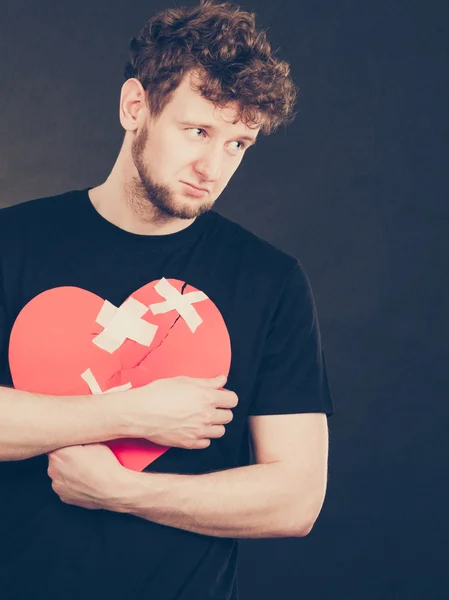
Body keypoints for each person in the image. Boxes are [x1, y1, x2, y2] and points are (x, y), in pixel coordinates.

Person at [0, 1, 334, 598]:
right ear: (136, 107)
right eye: (198, 130)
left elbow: (296, 498)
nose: (213, 166)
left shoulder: (271, 280)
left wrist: (125, 493)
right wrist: (130, 413)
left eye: (238, 144)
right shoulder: (11, 242)